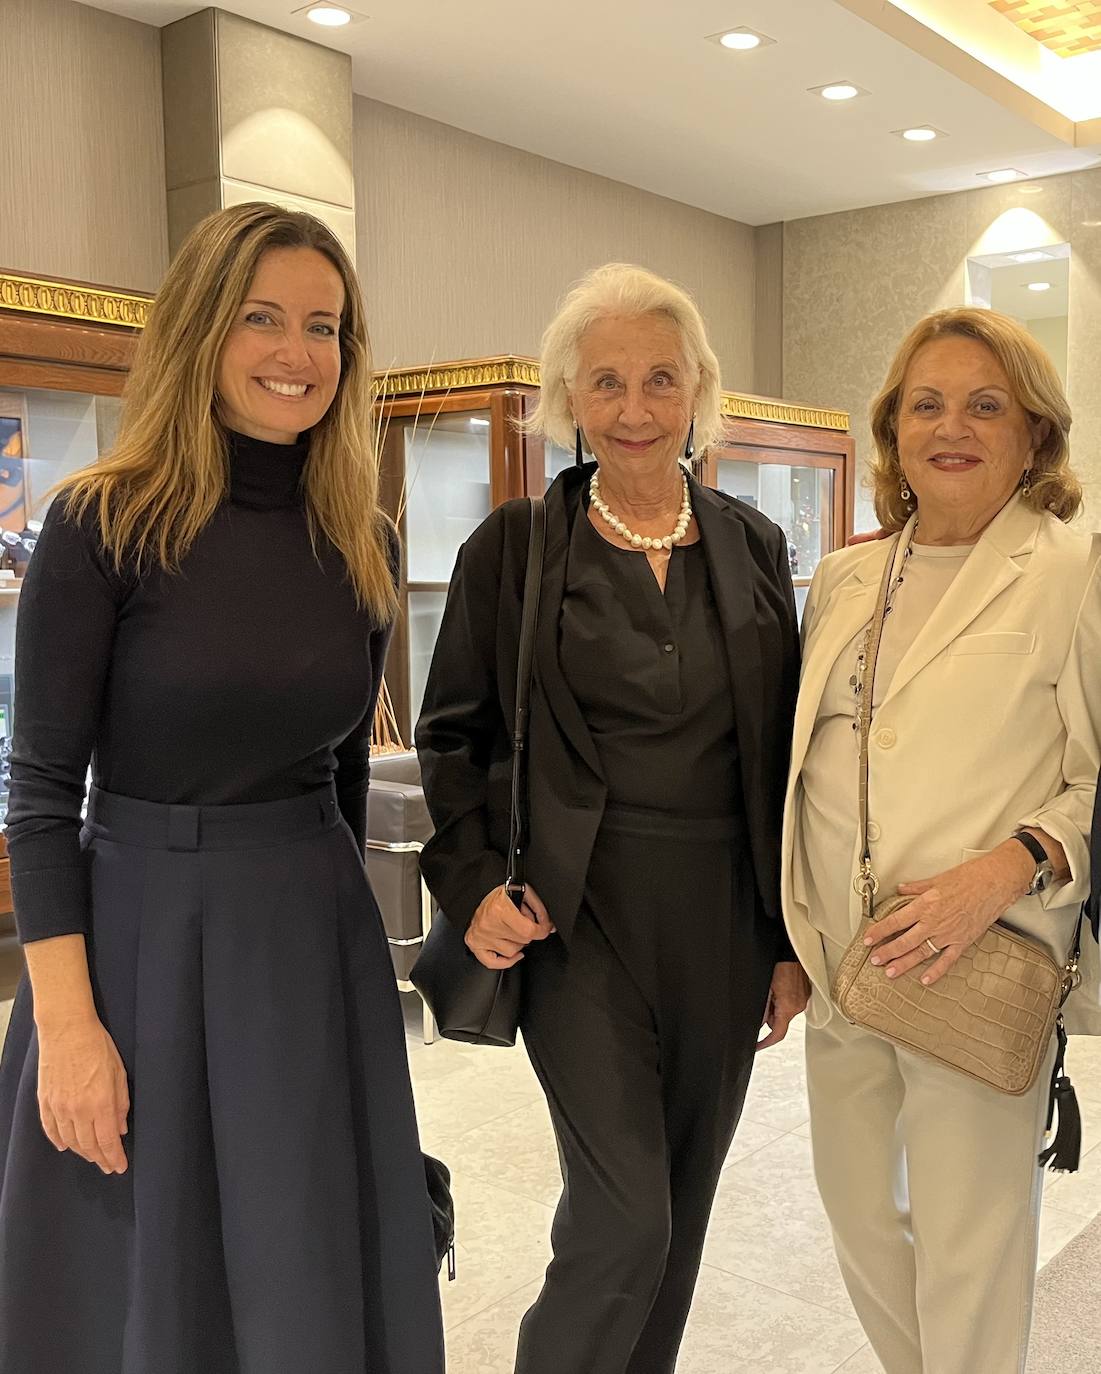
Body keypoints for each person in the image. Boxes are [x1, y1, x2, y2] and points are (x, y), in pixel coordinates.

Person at [0, 203, 445, 1374]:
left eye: (324, 326)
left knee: (306, 1253)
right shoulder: (100, 525)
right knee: (151, 1275)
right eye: (262, 318)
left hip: (310, 942)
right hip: (143, 941)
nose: (296, 354)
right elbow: (39, 794)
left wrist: (350, 972)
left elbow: (342, 775)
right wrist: (66, 1029)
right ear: (202, 329)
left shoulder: (363, 539)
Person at [416, 262, 808, 1374]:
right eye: (606, 384)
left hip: (723, 928)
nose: (634, 410)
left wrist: (787, 942)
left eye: (660, 380)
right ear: (568, 400)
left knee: (677, 1220)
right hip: (575, 923)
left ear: (699, 393)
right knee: (623, 1215)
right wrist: (474, 882)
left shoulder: (755, 547)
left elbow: (778, 763)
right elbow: (452, 738)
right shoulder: (517, 548)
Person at [782, 307, 1101, 1374]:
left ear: (1034, 435)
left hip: (982, 957)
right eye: (926, 404)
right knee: (862, 1218)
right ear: (893, 429)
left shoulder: (1074, 572)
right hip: (846, 962)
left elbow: (1096, 780)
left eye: (984, 405)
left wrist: (1004, 868)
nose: (950, 426)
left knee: (972, 1247)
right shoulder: (847, 578)